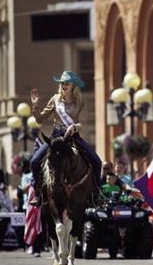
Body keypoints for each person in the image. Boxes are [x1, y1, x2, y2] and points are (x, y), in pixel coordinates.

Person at [29, 71, 102, 205]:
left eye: (66, 83)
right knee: (34, 161)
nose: (63, 85)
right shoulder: (55, 100)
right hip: (56, 137)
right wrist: (35, 106)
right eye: (62, 83)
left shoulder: (80, 102)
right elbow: (40, 120)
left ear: (73, 85)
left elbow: (83, 123)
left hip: (73, 137)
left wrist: (74, 127)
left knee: (97, 162)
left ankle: (96, 193)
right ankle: (38, 194)